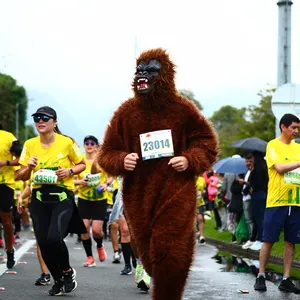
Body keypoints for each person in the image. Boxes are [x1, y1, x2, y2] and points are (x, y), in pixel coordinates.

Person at [97, 48, 218, 300]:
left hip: (176, 192)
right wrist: (122, 159)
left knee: (169, 254)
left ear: (164, 75)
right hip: (138, 197)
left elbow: (206, 144)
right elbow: (106, 153)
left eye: (150, 70)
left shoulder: (183, 109)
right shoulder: (126, 113)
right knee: (151, 260)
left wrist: (188, 159)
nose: (143, 75)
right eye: (139, 70)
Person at [16, 106, 86, 296]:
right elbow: (19, 176)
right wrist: (28, 168)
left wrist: (69, 171)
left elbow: (82, 164)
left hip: (62, 196)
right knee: (44, 243)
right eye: (37, 118)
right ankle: (58, 280)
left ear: (54, 121)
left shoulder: (66, 142)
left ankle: (68, 272)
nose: (40, 121)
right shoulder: (30, 145)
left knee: (54, 238)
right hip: (38, 198)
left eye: (44, 118)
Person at [254, 113, 300, 294]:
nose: (296, 131)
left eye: (298, 128)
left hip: (296, 202)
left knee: (291, 242)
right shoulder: (273, 145)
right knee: (269, 239)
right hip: (276, 201)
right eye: (293, 127)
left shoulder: (298, 148)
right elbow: (279, 168)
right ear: (283, 127)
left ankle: (286, 279)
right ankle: (261, 275)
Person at [74, 135, 113, 267]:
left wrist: (105, 185)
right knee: (84, 229)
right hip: (84, 199)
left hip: (99, 200)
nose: (89, 145)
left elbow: (111, 175)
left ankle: (100, 246)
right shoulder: (80, 162)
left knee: (96, 230)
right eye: (86, 143)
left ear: (97, 146)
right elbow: (70, 179)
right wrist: (80, 182)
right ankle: (90, 257)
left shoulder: (101, 161)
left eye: (92, 143)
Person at [0, 125, 21, 269]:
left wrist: (5, 163)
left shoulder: (8, 137)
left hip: (4, 184)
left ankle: (9, 250)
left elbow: (21, 158)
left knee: (6, 221)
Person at [195, 175, 207, 244]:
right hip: (191, 203)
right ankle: (194, 236)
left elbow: (204, 189)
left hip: (200, 203)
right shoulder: (188, 180)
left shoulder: (202, 179)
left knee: (200, 218)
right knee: (193, 221)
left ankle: (202, 236)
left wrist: (203, 192)